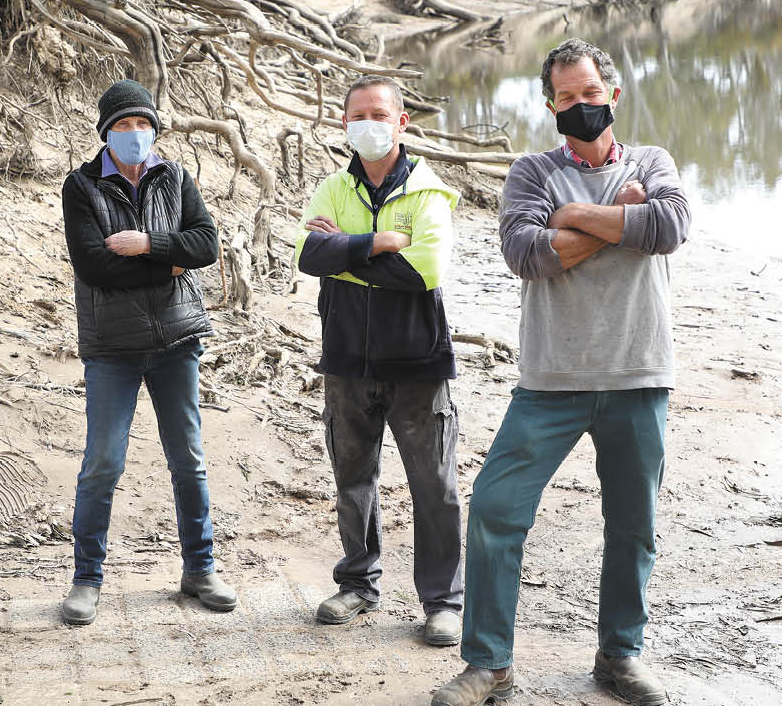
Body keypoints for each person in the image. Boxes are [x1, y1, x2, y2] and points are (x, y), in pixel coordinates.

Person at [432, 39, 690, 706]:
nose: (581, 105)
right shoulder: (532, 172)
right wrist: (619, 219)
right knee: (495, 509)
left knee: (633, 524)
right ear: (550, 105)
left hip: (637, 373)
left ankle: (620, 655)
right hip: (551, 381)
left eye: (591, 93)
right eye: (567, 97)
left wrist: (572, 218)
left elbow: (669, 225)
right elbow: (527, 253)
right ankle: (489, 664)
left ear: (614, 93)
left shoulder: (652, 162)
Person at [293, 74, 465, 647]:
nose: (369, 124)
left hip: (418, 363)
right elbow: (307, 255)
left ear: (401, 122)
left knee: (433, 485)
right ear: (344, 123)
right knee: (353, 477)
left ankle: (442, 601)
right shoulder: (332, 188)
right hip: (346, 360)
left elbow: (426, 271)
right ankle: (358, 584)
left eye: (380, 114)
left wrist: (343, 249)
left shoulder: (429, 192)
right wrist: (379, 242)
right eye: (358, 115)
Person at [59, 79, 236, 624]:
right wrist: (171, 263)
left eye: (143, 124)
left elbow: (206, 244)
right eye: (123, 125)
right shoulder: (81, 186)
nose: (135, 133)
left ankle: (200, 569)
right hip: (112, 347)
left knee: (189, 460)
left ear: (155, 129)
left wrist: (147, 244)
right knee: (103, 462)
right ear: (106, 132)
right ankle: (87, 578)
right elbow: (93, 266)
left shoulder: (175, 176)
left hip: (177, 341)